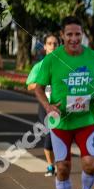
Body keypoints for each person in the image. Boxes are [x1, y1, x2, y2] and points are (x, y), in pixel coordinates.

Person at [32, 17, 94, 189]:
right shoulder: (52, 59)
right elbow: (38, 88)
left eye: (77, 34)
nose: (74, 38)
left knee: (91, 164)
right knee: (63, 167)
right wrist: (48, 107)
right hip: (61, 124)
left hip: (86, 121)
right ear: (62, 36)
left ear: (82, 34)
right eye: (69, 34)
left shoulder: (93, 57)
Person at [26, 34, 60, 176]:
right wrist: (42, 83)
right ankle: (51, 166)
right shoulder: (39, 67)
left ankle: (61, 163)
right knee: (49, 135)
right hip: (45, 105)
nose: (52, 46)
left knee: (61, 135)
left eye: (55, 43)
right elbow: (29, 86)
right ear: (45, 46)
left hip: (61, 105)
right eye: (49, 43)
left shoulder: (64, 65)